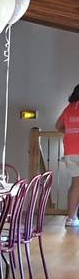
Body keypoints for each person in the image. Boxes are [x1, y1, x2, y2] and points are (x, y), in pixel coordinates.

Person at [57, 83, 79, 227]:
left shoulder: (69, 108)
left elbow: (58, 126)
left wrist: (71, 133)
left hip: (71, 151)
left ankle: (71, 218)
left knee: (76, 185)